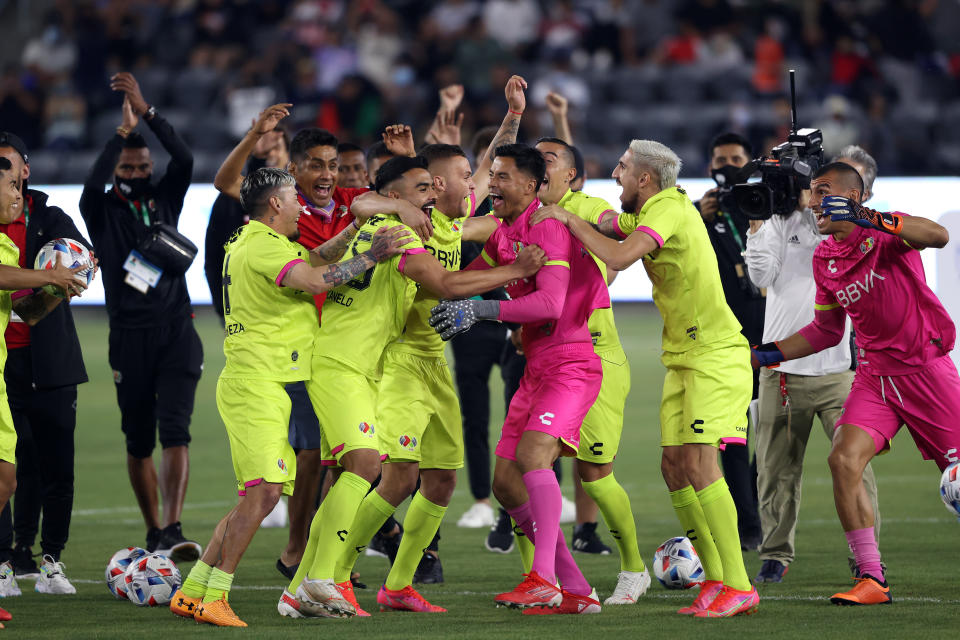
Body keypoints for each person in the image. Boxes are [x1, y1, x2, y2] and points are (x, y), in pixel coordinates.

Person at [280, 155, 546, 618]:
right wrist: (514, 273)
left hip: (422, 363)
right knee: (384, 473)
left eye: (459, 178)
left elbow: (472, 182)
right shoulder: (402, 230)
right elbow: (440, 280)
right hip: (388, 364)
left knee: (440, 478)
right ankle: (327, 577)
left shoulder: (446, 225)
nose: (464, 184)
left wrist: (513, 117)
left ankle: (385, 584)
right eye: (430, 185)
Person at [168, 168, 411, 627]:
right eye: (294, 199)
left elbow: (315, 258)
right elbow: (318, 281)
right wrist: (372, 256)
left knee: (253, 497)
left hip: (267, 382)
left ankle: (194, 588)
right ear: (276, 204)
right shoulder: (261, 243)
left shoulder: (260, 242)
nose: (303, 206)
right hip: (258, 382)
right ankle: (215, 596)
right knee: (264, 494)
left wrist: (357, 229)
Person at [534, 139, 759, 618]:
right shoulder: (653, 208)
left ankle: (740, 585)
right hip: (684, 356)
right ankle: (715, 579)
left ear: (644, 179)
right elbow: (611, 223)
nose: (614, 174)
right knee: (674, 467)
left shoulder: (669, 208)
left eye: (621, 167)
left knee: (700, 464)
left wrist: (568, 220)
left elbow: (618, 256)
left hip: (716, 356)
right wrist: (564, 206)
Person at [213, 108, 432, 581]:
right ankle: (301, 558)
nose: (329, 174)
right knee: (305, 466)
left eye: (335, 165)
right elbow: (227, 183)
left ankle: (316, 562)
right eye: (317, 164)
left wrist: (403, 179)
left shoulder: (336, 207)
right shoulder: (278, 223)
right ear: (292, 173)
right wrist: (255, 133)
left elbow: (382, 199)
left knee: (335, 463)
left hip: (325, 351)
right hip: (292, 357)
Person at [750, 162, 956, 606]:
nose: (812, 201)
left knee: (957, 478)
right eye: (810, 193)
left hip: (926, 372)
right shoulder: (825, 258)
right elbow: (825, 331)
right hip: (875, 379)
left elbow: (938, 236)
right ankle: (871, 577)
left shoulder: (886, 234)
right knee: (843, 460)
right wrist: (766, 353)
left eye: (823, 191)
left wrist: (873, 218)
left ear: (854, 197)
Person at [430, 144, 609, 615]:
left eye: (503, 177)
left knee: (533, 456)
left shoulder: (547, 225)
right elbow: (465, 279)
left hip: (570, 362)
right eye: (493, 178)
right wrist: (424, 287)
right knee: (506, 485)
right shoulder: (506, 232)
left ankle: (543, 577)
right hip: (537, 367)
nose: (493, 186)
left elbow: (550, 306)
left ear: (531, 185)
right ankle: (577, 590)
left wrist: (482, 309)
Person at [78, 72, 201, 561]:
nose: (138, 171)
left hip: (177, 330)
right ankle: (154, 527)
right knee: (138, 438)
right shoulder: (100, 208)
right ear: (117, 170)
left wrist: (148, 113)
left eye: (144, 165)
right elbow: (92, 178)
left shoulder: (165, 198)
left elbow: (186, 158)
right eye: (129, 167)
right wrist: (121, 136)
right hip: (128, 335)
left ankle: (172, 526)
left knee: (177, 429)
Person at [744, 153, 881, 584]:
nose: (819, 193)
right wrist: (758, 222)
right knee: (775, 472)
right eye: (816, 185)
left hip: (839, 372)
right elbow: (760, 274)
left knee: (856, 467)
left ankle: (866, 557)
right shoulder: (786, 220)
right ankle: (775, 554)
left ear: (860, 193)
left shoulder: (861, 231)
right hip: (782, 372)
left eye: (828, 187)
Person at [531, 135, 650, 604]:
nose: (540, 164)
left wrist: (570, 217)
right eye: (535, 156)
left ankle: (633, 568)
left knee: (595, 472)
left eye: (550, 158)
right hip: (543, 358)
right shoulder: (521, 214)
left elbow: (617, 227)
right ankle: (543, 578)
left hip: (595, 354)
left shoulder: (589, 204)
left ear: (571, 176)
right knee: (522, 466)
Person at [0, 134, 93, 595]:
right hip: (4, 362)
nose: (6, 177)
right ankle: (7, 559)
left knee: (56, 462)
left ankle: (49, 558)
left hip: (50, 358)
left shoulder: (49, 215)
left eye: (9, 166)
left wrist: (40, 304)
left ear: (25, 171)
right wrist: (47, 279)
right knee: (11, 462)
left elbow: (82, 266)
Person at [695, 132, 765, 550]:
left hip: (774, 338)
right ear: (709, 167)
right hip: (727, 343)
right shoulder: (699, 214)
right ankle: (747, 523)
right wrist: (700, 219)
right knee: (734, 440)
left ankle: (755, 505)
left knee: (771, 439)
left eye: (735, 158)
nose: (727, 165)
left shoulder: (766, 207)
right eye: (720, 159)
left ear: (749, 163)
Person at [204, 124, 289, 321]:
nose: (270, 155)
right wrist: (222, 310)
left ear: (288, 155)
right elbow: (215, 260)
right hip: (245, 312)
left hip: (291, 310)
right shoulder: (228, 201)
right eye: (262, 150)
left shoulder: (302, 200)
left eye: (275, 148)